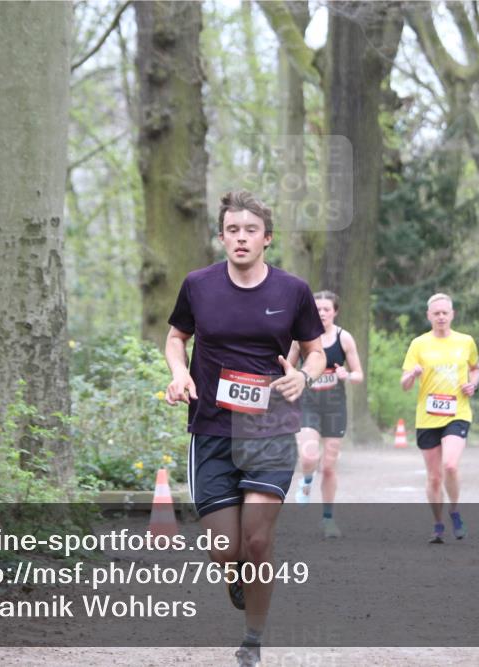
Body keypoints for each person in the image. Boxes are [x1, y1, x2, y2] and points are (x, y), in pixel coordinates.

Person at [165, 190, 326, 667]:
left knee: (258, 540)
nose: (240, 238)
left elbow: (314, 349)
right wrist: (179, 372)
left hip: (270, 426)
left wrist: (304, 374)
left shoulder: (292, 291)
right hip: (212, 427)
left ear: (266, 238)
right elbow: (177, 338)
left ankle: (252, 640)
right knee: (225, 548)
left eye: (250, 230)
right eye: (232, 230)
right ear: (221, 237)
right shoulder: (198, 285)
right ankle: (235, 574)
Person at [400, 293, 479, 544]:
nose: (441, 317)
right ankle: (437, 523)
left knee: (450, 466)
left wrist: (473, 384)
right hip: (427, 417)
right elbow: (404, 384)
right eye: (436, 313)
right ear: (429, 316)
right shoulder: (419, 344)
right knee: (434, 477)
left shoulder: (465, 341)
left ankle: (455, 512)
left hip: (458, 413)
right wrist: (412, 375)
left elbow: (475, 368)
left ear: (452, 314)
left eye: (445, 312)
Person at [287, 290, 364, 539]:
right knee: (310, 456)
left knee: (329, 467)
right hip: (307, 403)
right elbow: (288, 367)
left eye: (326, 309)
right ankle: (307, 481)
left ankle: (328, 519)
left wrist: (347, 376)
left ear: (335, 312)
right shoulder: (300, 339)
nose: (321, 313)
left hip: (334, 406)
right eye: (317, 309)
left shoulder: (344, 338)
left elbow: (358, 374)